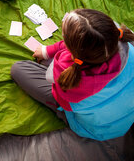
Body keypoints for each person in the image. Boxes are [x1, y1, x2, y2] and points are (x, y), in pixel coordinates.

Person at [11, 9, 134, 141]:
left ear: (73, 53)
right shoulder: (123, 39)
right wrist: (47, 51)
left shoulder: (69, 82)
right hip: (125, 115)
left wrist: (51, 55)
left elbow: (62, 97)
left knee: (18, 69)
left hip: (96, 129)